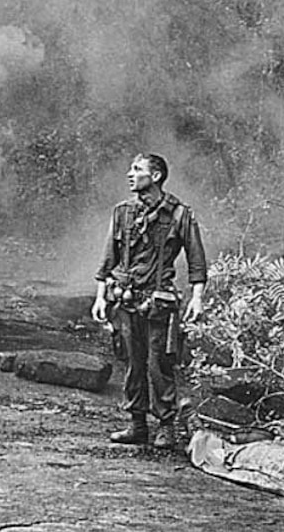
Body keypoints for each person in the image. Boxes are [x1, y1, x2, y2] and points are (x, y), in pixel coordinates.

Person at [91, 152, 207, 449]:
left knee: (159, 365)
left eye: (137, 169)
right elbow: (108, 259)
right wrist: (101, 297)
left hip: (159, 303)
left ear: (155, 176)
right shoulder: (122, 213)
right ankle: (137, 424)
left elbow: (196, 259)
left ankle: (166, 426)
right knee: (133, 363)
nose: (130, 174)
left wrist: (197, 298)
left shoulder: (180, 214)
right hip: (127, 299)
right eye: (131, 168)